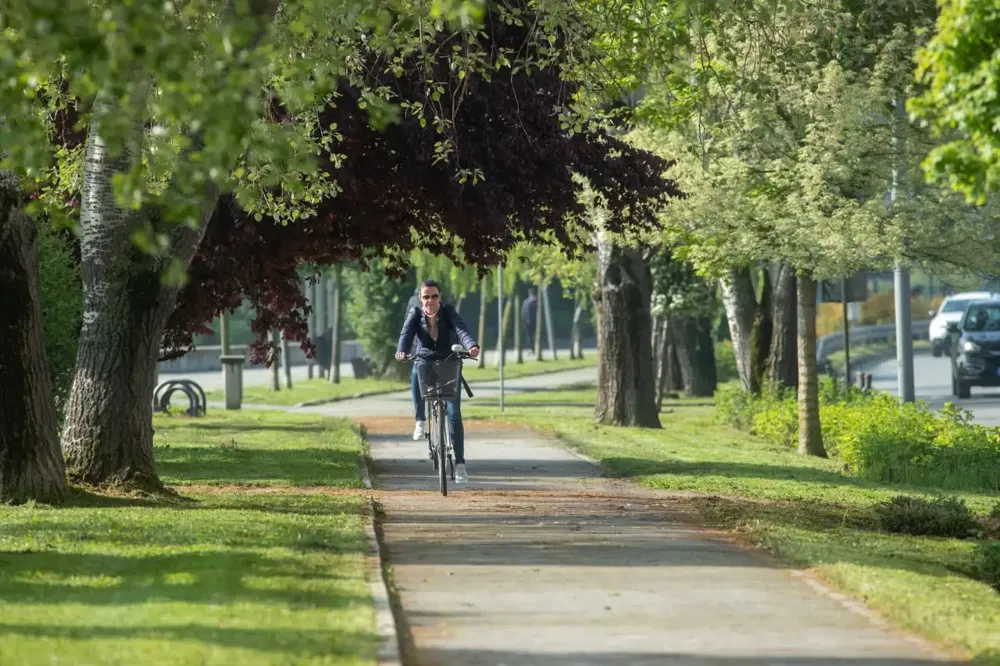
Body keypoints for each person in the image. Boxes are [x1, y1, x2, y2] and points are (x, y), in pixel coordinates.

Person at [395, 279, 480, 482]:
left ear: (439, 298)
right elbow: (406, 334)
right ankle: (420, 420)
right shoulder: (415, 314)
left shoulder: (448, 311)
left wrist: (472, 345)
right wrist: (401, 350)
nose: (430, 300)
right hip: (425, 359)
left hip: (449, 360)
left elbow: (461, 329)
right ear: (420, 299)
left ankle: (460, 464)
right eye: (426, 297)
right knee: (416, 369)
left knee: (453, 414)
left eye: (434, 296)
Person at [521, 287, 537, 354]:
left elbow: (523, 313)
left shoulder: (525, 302)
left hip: (527, 322)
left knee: (529, 336)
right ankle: (535, 349)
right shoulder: (537, 300)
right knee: (535, 335)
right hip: (535, 321)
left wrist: (523, 321)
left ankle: (532, 349)